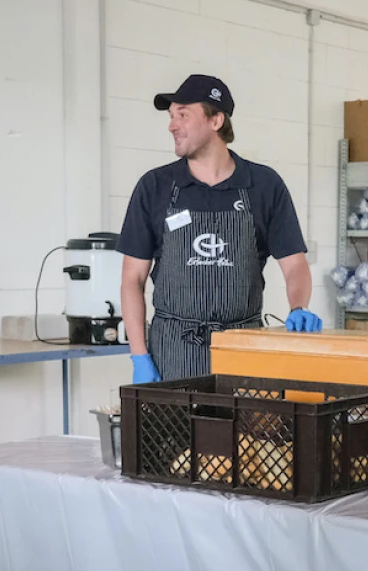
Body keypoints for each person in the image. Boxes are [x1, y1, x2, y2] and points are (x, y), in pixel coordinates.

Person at [119, 74, 322, 385]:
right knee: (176, 435)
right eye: (171, 116)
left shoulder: (265, 186)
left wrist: (298, 307)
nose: (172, 125)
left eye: (183, 115)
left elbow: (294, 264)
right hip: (172, 356)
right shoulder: (155, 187)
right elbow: (132, 280)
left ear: (216, 120)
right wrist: (139, 357)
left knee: (245, 435)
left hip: (244, 353)